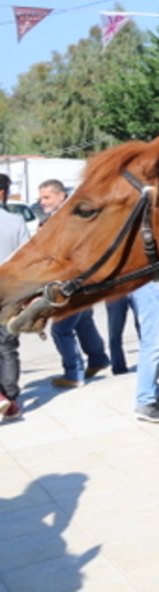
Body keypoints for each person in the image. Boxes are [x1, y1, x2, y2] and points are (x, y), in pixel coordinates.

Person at [40, 180, 111, 389]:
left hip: (73, 282)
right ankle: (98, 359)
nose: (42, 202)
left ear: (61, 195)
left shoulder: (70, 219)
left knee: (60, 329)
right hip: (81, 281)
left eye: (47, 197)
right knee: (83, 320)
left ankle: (74, 374)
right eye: (41, 198)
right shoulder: (66, 217)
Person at [0, 174, 30, 419]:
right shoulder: (15, 221)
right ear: (3, 193)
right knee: (8, 346)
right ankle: (10, 399)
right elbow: (27, 259)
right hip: (9, 290)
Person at [131, 281, 159, 423]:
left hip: (149, 286)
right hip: (153, 287)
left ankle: (153, 391)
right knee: (153, 345)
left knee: (151, 343)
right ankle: (145, 401)